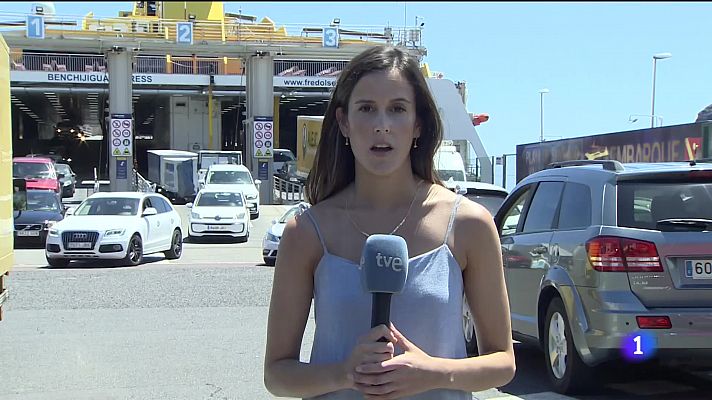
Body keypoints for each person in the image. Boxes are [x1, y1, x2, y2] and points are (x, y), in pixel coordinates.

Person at [264, 45, 515, 399]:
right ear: (344, 122)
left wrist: (434, 372)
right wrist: (344, 374)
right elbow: (277, 374)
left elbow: (503, 362)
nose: (382, 126)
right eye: (367, 109)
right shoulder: (305, 232)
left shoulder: (469, 225)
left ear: (418, 125)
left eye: (397, 109)